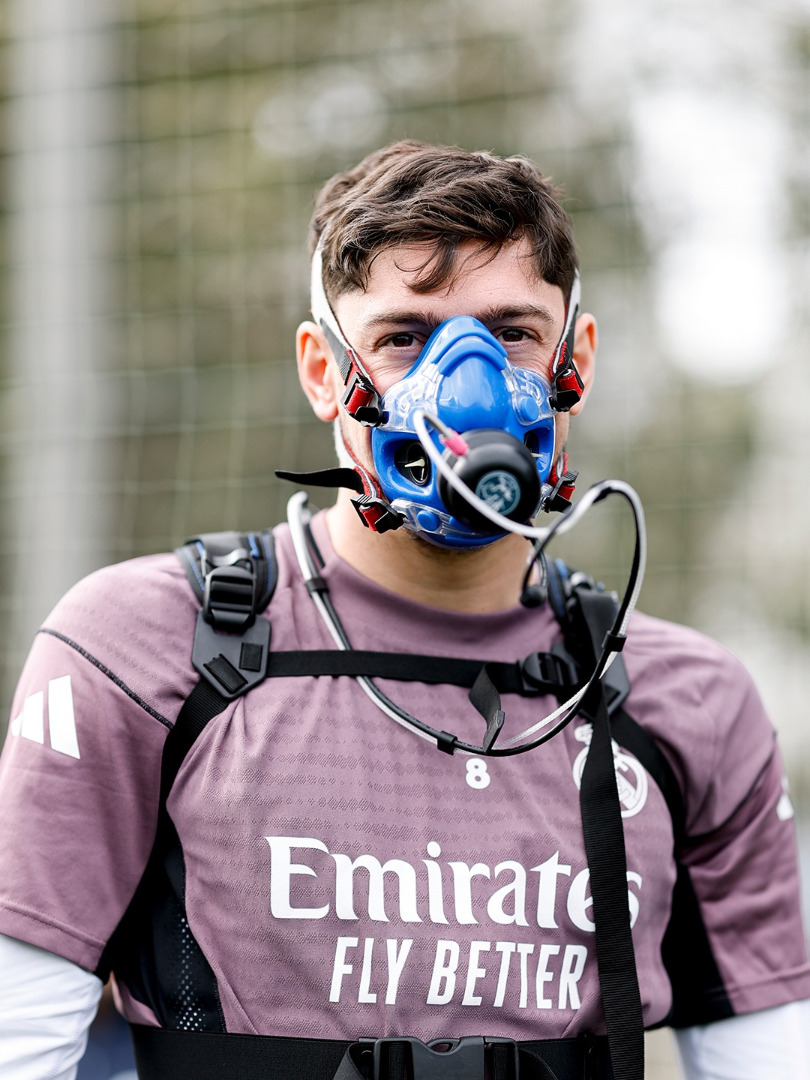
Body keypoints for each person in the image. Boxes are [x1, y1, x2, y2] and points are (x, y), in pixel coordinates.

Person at [0, 140, 808, 1080]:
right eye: (402, 339)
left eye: (512, 333)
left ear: (576, 359)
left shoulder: (688, 698)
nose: (468, 389)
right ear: (322, 372)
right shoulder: (145, 647)